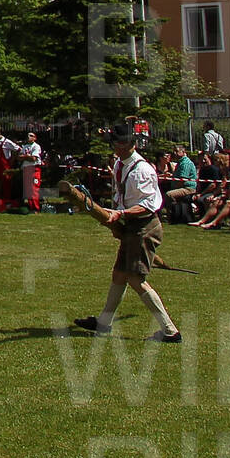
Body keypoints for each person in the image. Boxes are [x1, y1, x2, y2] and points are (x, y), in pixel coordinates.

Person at [72, 128, 182, 342]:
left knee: (135, 279)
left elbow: (147, 206)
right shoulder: (119, 165)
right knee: (119, 275)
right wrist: (118, 221)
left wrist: (121, 214)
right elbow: (122, 197)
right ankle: (104, 323)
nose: (119, 149)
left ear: (132, 145)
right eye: (116, 145)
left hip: (144, 227)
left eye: (123, 145)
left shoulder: (143, 170)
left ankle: (170, 332)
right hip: (131, 226)